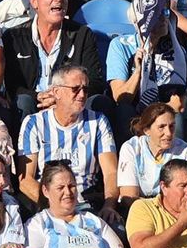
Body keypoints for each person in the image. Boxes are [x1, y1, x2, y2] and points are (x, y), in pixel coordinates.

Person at [16, 64, 120, 220]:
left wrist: (109, 205)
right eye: (75, 89)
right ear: (57, 92)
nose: (82, 94)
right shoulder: (34, 123)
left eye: (85, 89)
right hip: (47, 202)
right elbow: (25, 180)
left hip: (87, 199)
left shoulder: (98, 121)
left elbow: (111, 172)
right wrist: (58, 208)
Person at [0, 0, 105, 122]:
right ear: (34, 1)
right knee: (23, 102)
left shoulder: (81, 34)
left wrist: (62, 97)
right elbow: (12, 86)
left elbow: (94, 80)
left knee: (99, 101)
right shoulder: (14, 36)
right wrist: (37, 96)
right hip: (32, 102)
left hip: (71, 100)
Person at [26, 163, 132, 248]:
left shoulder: (94, 220)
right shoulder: (38, 223)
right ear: (46, 191)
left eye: (71, 186)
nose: (68, 192)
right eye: (60, 188)